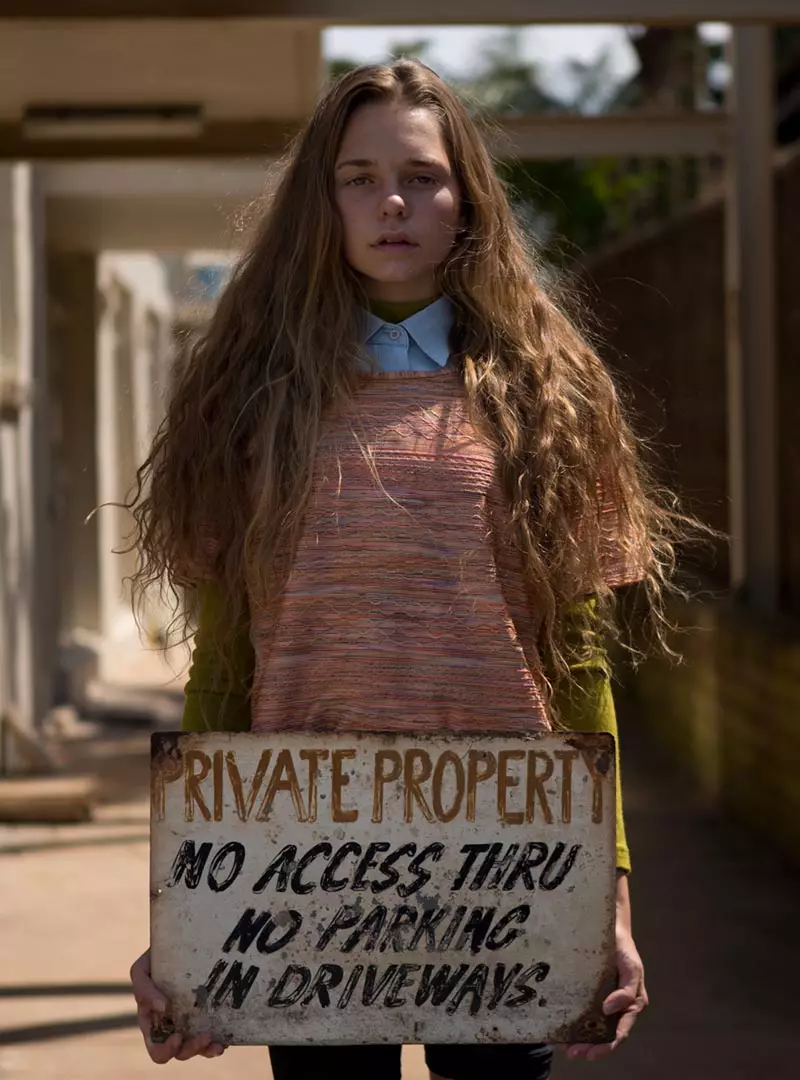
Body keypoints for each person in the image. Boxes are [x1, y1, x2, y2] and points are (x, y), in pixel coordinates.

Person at [127, 57, 690, 1079]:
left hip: (508, 861)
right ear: (320, 200)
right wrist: (188, 923)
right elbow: (221, 663)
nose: (393, 200)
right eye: (358, 176)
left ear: (467, 198)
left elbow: (580, 666)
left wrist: (607, 897)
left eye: (423, 175)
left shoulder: (549, 394)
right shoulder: (247, 394)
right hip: (301, 860)